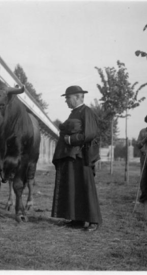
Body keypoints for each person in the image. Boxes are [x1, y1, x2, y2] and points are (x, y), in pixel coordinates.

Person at [51, 85, 102, 232]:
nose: (66, 101)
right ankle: (77, 219)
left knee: (86, 187)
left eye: (68, 98)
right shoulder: (74, 113)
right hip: (71, 156)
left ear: (78, 97)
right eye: (66, 98)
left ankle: (93, 221)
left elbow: (90, 134)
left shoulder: (87, 112)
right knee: (74, 187)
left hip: (82, 156)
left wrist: (70, 140)